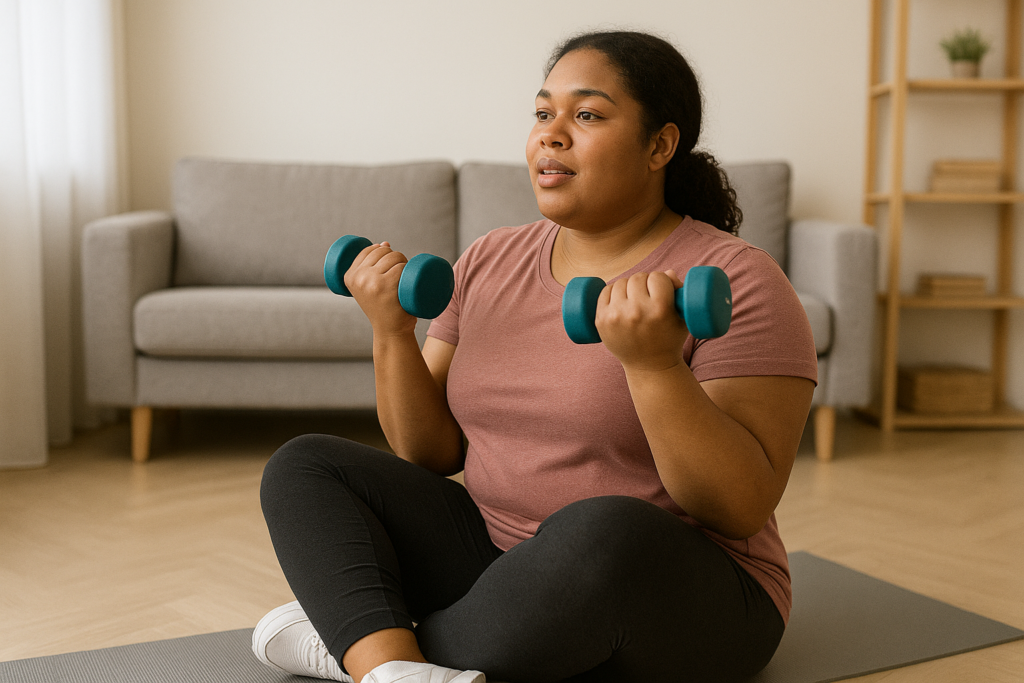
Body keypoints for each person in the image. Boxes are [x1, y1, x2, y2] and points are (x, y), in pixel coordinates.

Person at [253, 30, 816, 683]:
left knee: (603, 529)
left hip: (684, 593)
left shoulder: (736, 279)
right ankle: (393, 672)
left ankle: (356, 641)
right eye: (543, 113)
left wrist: (653, 365)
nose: (551, 134)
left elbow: (737, 506)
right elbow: (430, 453)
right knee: (306, 465)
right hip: (497, 560)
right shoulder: (490, 259)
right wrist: (390, 331)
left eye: (587, 115)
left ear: (660, 145)